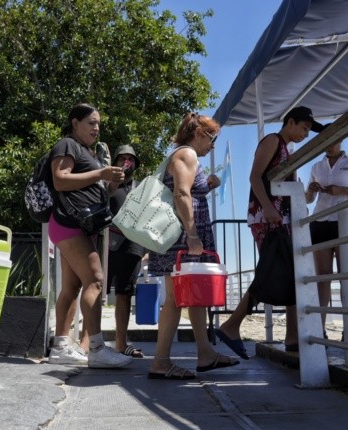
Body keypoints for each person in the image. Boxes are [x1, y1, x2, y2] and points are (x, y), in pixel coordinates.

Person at [215, 106, 324, 358]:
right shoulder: (273, 140)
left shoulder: (286, 148)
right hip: (267, 218)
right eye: (304, 128)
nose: (305, 134)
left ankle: (291, 336)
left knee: (288, 272)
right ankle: (232, 325)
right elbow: (254, 177)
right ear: (291, 122)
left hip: (279, 219)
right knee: (272, 271)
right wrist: (268, 209)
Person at [148, 112, 239, 380]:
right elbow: (181, 194)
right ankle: (161, 361)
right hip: (183, 237)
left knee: (194, 294)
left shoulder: (184, 156)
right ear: (199, 133)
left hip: (183, 235)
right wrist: (192, 235)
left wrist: (206, 188)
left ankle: (205, 353)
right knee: (176, 299)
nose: (213, 146)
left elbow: (187, 192)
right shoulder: (186, 154)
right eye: (212, 139)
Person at [46, 103, 132, 369]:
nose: (96, 128)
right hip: (69, 225)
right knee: (95, 280)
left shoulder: (84, 151)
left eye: (98, 124)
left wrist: (108, 185)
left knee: (72, 287)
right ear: (75, 123)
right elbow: (60, 179)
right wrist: (101, 173)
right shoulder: (67, 145)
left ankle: (61, 346)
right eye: (91, 123)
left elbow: (85, 188)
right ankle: (96, 348)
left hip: (71, 225)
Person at [305, 125, 348, 329]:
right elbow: (307, 199)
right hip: (320, 220)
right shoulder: (316, 167)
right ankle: (319, 327)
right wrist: (311, 190)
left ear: (341, 140)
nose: (328, 146)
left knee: (346, 274)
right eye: (325, 141)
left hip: (347, 219)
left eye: (332, 141)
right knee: (322, 276)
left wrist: (340, 190)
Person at [106, 145, 147, 358]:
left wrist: (146, 249)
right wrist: (110, 185)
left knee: (124, 293)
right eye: (121, 157)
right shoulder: (106, 183)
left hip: (133, 246)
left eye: (130, 158)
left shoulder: (141, 187)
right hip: (107, 244)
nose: (126, 161)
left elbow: (150, 217)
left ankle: (121, 344)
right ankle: (87, 343)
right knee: (96, 291)